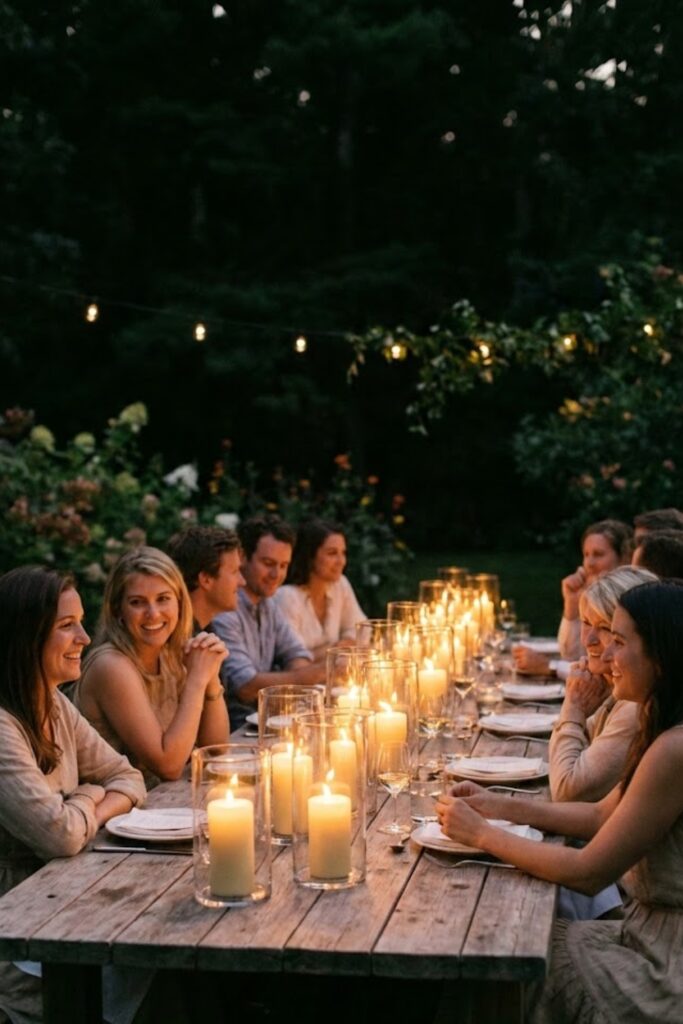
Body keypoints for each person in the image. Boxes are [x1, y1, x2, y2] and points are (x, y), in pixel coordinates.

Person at [437, 579, 683, 1023]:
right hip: (644, 935)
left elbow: (589, 873)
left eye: (619, 642)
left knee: (503, 953)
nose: (604, 656)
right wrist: (498, 804)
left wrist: (483, 835)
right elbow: (600, 815)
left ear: (661, 656)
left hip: (665, 970)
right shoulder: (662, 724)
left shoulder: (674, 749)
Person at [0, 566, 146, 1024]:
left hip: (68, 903)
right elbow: (60, 835)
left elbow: (129, 777)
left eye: (81, 622)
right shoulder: (3, 723)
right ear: (26, 636)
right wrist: (88, 796)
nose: (85, 636)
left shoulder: (52, 700)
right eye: (67, 625)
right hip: (19, 934)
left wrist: (85, 799)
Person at [73, 546, 229, 788]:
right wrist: (197, 679)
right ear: (118, 610)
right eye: (137, 602)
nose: (153, 614)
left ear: (179, 602)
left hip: (159, 806)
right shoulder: (111, 666)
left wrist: (211, 677)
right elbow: (168, 766)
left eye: (163, 599)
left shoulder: (171, 654)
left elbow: (217, 751)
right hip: (114, 816)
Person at [549, 565, 656, 803]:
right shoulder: (612, 688)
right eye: (586, 622)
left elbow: (567, 789)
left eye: (606, 629)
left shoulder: (635, 706)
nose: (589, 639)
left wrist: (573, 707)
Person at [211, 515, 325, 731]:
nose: (277, 575)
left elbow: (296, 653)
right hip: (235, 728)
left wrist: (298, 679)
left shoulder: (268, 604)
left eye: (283, 566)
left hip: (267, 720)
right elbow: (245, 686)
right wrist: (306, 678)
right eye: (268, 563)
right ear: (243, 558)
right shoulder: (225, 610)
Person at [513, 518, 633, 673]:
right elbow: (571, 656)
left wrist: (549, 667)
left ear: (624, 557)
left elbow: (604, 671)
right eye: (586, 554)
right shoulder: (590, 595)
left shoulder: (628, 601)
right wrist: (571, 605)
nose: (589, 563)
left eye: (598, 554)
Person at [274, 518, 366, 659]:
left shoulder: (340, 585)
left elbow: (363, 630)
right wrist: (337, 649)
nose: (341, 561)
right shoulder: (287, 597)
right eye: (332, 553)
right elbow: (295, 658)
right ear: (310, 556)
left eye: (343, 553)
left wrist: (343, 643)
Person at [166, 524, 245, 630]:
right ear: (206, 579)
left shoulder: (205, 631)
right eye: (235, 572)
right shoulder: (182, 641)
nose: (242, 582)